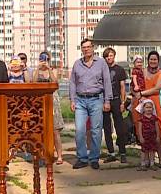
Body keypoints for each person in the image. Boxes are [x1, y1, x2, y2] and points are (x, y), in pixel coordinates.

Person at [69, 38, 112, 170]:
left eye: (88, 47)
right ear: (81, 49)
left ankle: (94, 158)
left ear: (93, 48)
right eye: (84, 47)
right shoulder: (77, 64)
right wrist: (72, 99)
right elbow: (72, 83)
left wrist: (107, 100)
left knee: (96, 130)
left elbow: (107, 81)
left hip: (96, 99)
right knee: (80, 130)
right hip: (80, 100)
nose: (86, 49)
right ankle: (82, 158)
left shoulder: (101, 63)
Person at [133, 51, 161, 167]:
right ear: (147, 60)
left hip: (155, 102)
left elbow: (157, 89)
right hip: (141, 103)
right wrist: (137, 94)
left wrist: (141, 93)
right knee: (143, 129)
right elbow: (134, 85)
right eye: (151, 59)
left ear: (158, 61)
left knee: (159, 129)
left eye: (155, 59)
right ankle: (147, 160)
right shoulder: (142, 71)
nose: (153, 61)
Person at [31, 52, 65, 165]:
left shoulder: (53, 70)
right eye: (41, 59)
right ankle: (43, 154)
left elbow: (55, 82)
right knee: (41, 130)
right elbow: (33, 82)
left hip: (53, 100)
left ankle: (59, 155)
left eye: (45, 59)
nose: (43, 61)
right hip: (39, 101)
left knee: (55, 131)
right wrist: (38, 68)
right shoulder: (37, 71)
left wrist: (49, 69)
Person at [102, 48, 128, 164]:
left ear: (114, 56)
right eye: (107, 56)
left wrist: (123, 102)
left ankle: (122, 152)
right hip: (105, 101)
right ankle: (111, 153)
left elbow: (123, 87)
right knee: (107, 128)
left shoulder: (120, 70)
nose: (109, 58)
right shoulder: (102, 70)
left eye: (111, 55)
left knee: (120, 128)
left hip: (117, 100)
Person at [136, 99, 160, 171]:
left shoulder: (154, 118)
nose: (148, 109)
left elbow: (157, 127)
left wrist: (158, 136)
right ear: (143, 108)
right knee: (144, 150)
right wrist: (140, 137)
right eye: (147, 107)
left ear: (153, 109)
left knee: (152, 150)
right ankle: (143, 163)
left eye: (150, 107)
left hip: (152, 137)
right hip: (145, 137)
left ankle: (152, 163)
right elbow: (139, 128)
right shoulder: (142, 118)